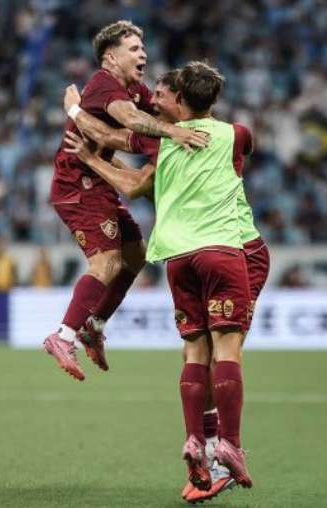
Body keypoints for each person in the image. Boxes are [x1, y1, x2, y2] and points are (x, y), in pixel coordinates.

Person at [63, 61, 259, 498]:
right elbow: (240, 149)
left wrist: (77, 118)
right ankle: (228, 444)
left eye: (163, 95)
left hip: (176, 257)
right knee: (226, 349)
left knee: (195, 351)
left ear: (182, 102)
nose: (153, 99)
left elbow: (117, 141)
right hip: (224, 250)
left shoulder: (158, 146)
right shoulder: (237, 135)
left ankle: (196, 438)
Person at [44, 20, 208, 381]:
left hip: (99, 180)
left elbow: (161, 110)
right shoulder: (105, 84)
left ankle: (94, 324)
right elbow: (132, 121)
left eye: (143, 47)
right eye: (134, 48)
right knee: (106, 261)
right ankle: (63, 336)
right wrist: (173, 131)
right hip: (78, 184)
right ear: (110, 57)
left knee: (135, 255)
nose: (143, 54)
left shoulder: (136, 90)